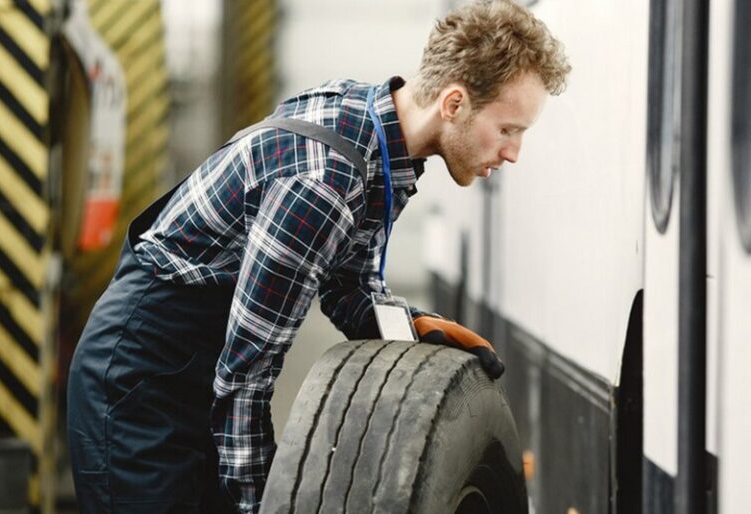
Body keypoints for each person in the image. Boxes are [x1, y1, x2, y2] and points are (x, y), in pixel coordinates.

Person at [66, 1, 571, 512]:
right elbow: (245, 377)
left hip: (197, 371)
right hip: (139, 387)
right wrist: (261, 503)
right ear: (454, 103)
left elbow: (345, 286)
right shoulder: (324, 182)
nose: (513, 153)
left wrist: (413, 328)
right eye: (508, 130)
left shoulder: (377, 139)